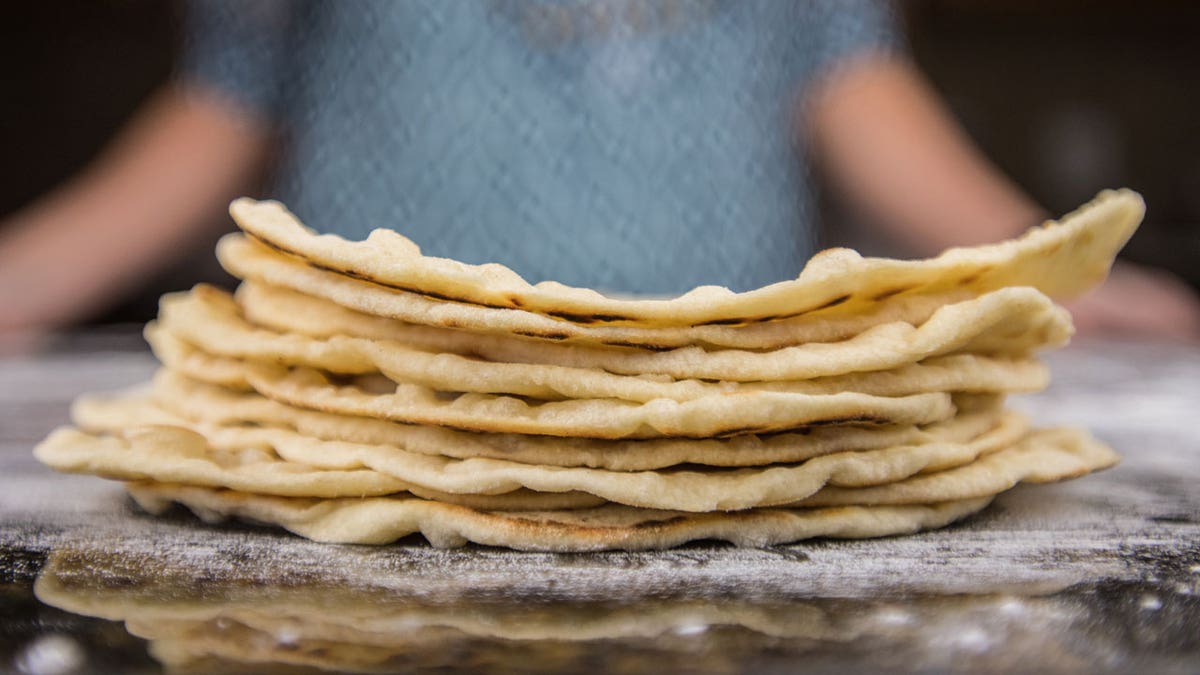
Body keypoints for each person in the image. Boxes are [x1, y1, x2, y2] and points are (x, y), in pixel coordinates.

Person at [1, 0, 1197, 344]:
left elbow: (854, 90)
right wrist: (25, 280)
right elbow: (221, 108)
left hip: (732, 407)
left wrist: (1052, 269)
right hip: (384, 386)